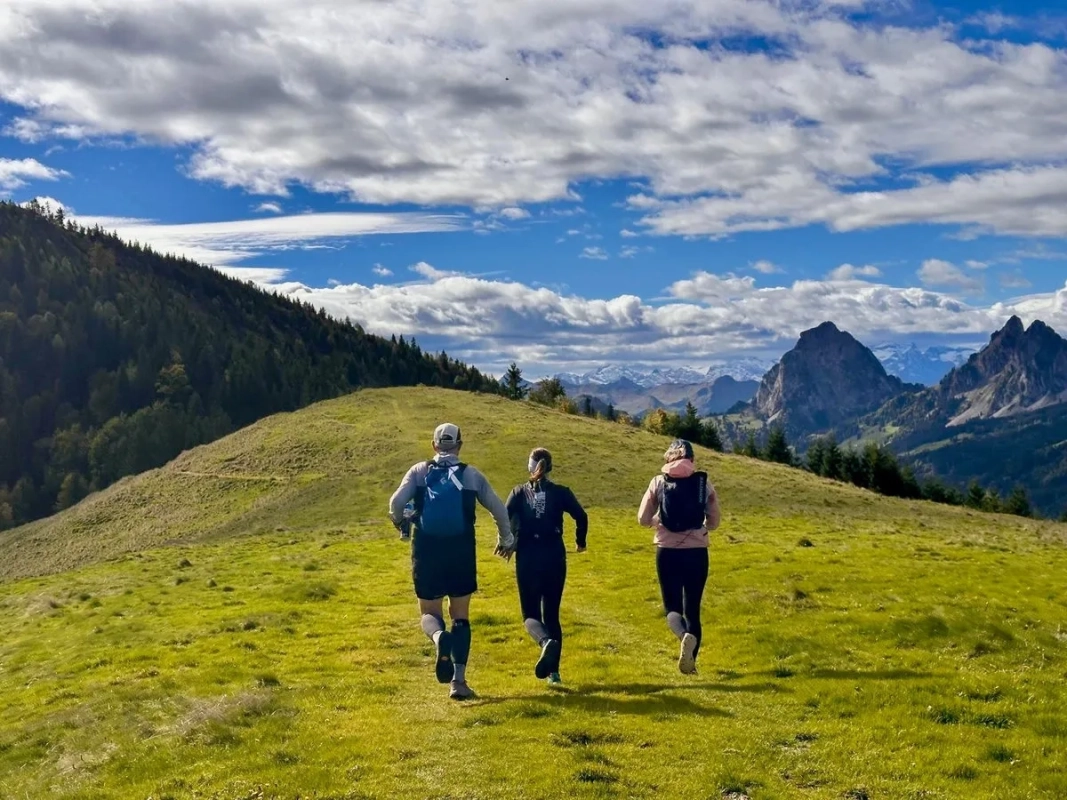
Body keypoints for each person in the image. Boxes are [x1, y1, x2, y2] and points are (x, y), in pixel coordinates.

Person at [389, 422, 515, 700]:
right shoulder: (471, 474)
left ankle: (438, 638)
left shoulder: (418, 471)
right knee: (460, 615)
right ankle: (458, 682)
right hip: (461, 549)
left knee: (429, 613)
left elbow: (396, 503)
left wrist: (400, 522)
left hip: (427, 549)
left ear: (434, 445)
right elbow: (498, 509)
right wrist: (506, 539)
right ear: (459, 445)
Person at [637, 439, 721, 675]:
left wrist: (658, 521)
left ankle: (684, 636)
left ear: (668, 458)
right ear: (692, 460)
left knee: (672, 607)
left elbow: (643, 519)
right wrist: (700, 526)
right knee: (692, 609)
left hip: (667, 551)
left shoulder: (658, 482)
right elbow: (714, 522)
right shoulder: (703, 483)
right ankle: (691, 664)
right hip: (697, 552)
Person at [505, 447, 588, 685]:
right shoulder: (561, 492)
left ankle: (544, 642)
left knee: (530, 615)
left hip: (528, 555)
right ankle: (554, 673)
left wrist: (508, 540)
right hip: (554, 554)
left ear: (530, 466)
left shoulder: (518, 492)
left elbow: (503, 516)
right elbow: (581, 516)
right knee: (552, 615)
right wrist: (580, 542)